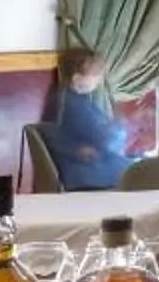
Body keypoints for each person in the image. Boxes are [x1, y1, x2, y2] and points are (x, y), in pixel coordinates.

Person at [51, 47, 131, 189]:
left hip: (81, 168)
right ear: (77, 78)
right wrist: (120, 126)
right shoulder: (75, 105)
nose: (99, 79)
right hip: (86, 172)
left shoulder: (65, 98)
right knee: (145, 171)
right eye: (95, 74)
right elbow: (106, 142)